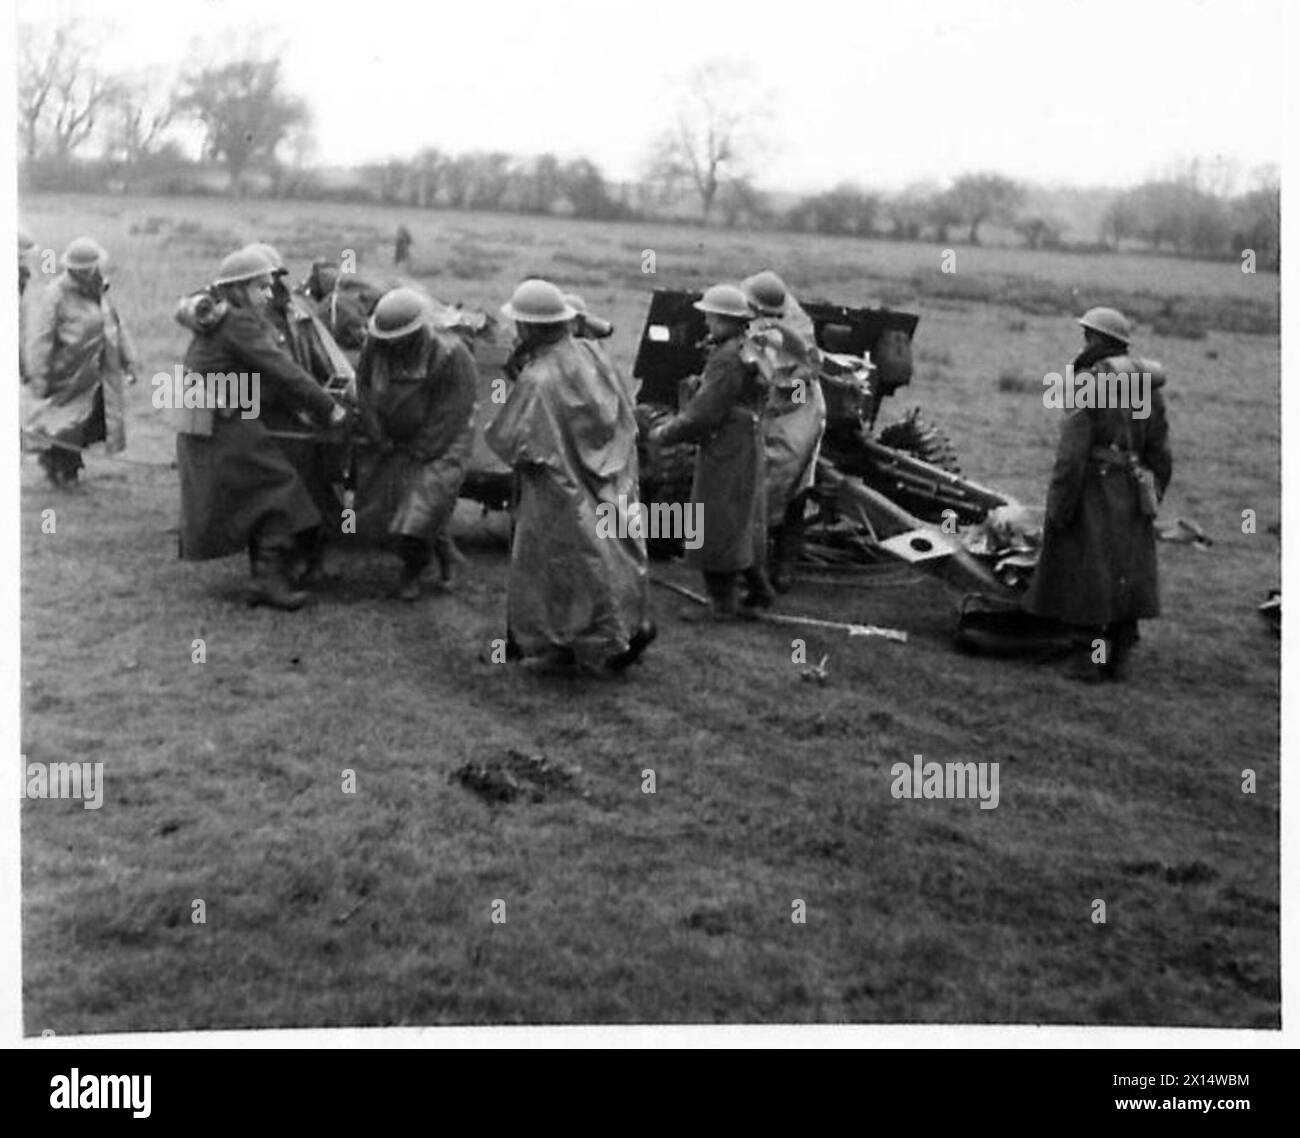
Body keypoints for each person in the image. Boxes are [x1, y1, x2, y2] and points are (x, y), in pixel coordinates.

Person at [486, 278, 654, 672]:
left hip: (558, 489)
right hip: (609, 476)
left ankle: (569, 647)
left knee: (561, 566)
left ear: (527, 327)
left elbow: (513, 439)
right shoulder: (593, 355)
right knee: (610, 556)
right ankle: (628, 627)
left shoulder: (539, 377)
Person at [175, 246, 350, 610]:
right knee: (279, 488)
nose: (268, 295)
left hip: (211, 420)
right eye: (260, 287)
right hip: (222, 422)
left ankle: (279, 569)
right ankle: (267, 582)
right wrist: (328, 406)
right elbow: (280, 370)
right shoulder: (238, 322)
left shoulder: (219, 316)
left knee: (272, 485)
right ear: (238, 289)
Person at [1023, 306, 1173, 681]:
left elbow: (1071, 454)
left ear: (1093, 339)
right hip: (1133, 486)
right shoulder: (1146, 382)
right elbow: (1161, 451)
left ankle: (1088, 660)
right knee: (1125, 572)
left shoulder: (1088, 381)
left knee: (1088, 577)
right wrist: (1154, 491)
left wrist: (1060, 504)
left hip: (1093, 487)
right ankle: (1118, 657)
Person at [647, 282, 774, 620]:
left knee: (715, 522)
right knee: (739, 521)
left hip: (725, 446)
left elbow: (704, 413)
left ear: (726, 320)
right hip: (744, 442)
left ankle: (722, 606)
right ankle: (759, 593)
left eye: (712, 317)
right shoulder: (746, 348)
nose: (706, 323)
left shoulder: (726, 358)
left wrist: (662, 433)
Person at [351, 287, 478, 601]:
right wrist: (378, 435)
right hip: (394, 439)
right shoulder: (374, 349)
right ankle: (446, 552)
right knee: (379, 509)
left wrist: (421, 450)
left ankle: (413, 570)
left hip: (445, 440)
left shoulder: (450, 353)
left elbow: (452, 411)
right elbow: (365, 392)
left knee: (421, 506)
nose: (392, 344)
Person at [250, 242, 356, 582]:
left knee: (318, 489)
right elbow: (273, 372)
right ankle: (275, 571)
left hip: (304, 415)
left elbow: (318, 356)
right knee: (280, 497)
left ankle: (312, 559)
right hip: (271, 420)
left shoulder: (297, 310)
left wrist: (331, 397)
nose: (274, 287)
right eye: (266, 281)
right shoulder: (246, 321)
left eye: (276, 278)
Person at [24, 237, 137, 487]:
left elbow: (116, 326)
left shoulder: (100, 291)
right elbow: (40, 339)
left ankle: (68, 466)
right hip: (67, 375)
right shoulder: (55, 294)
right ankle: (58, 466)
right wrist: (40, 378)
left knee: (89, 422)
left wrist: (129, 362)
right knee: (63, 424)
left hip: (97, 374)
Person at [741, 270, 826, 591]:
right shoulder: (790, 314)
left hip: (794, 414)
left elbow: (779, 382)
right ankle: (779, 567)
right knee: (795, 490)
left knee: (777, 490)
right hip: (806, 407)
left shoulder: (780, 336)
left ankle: (763, 571)